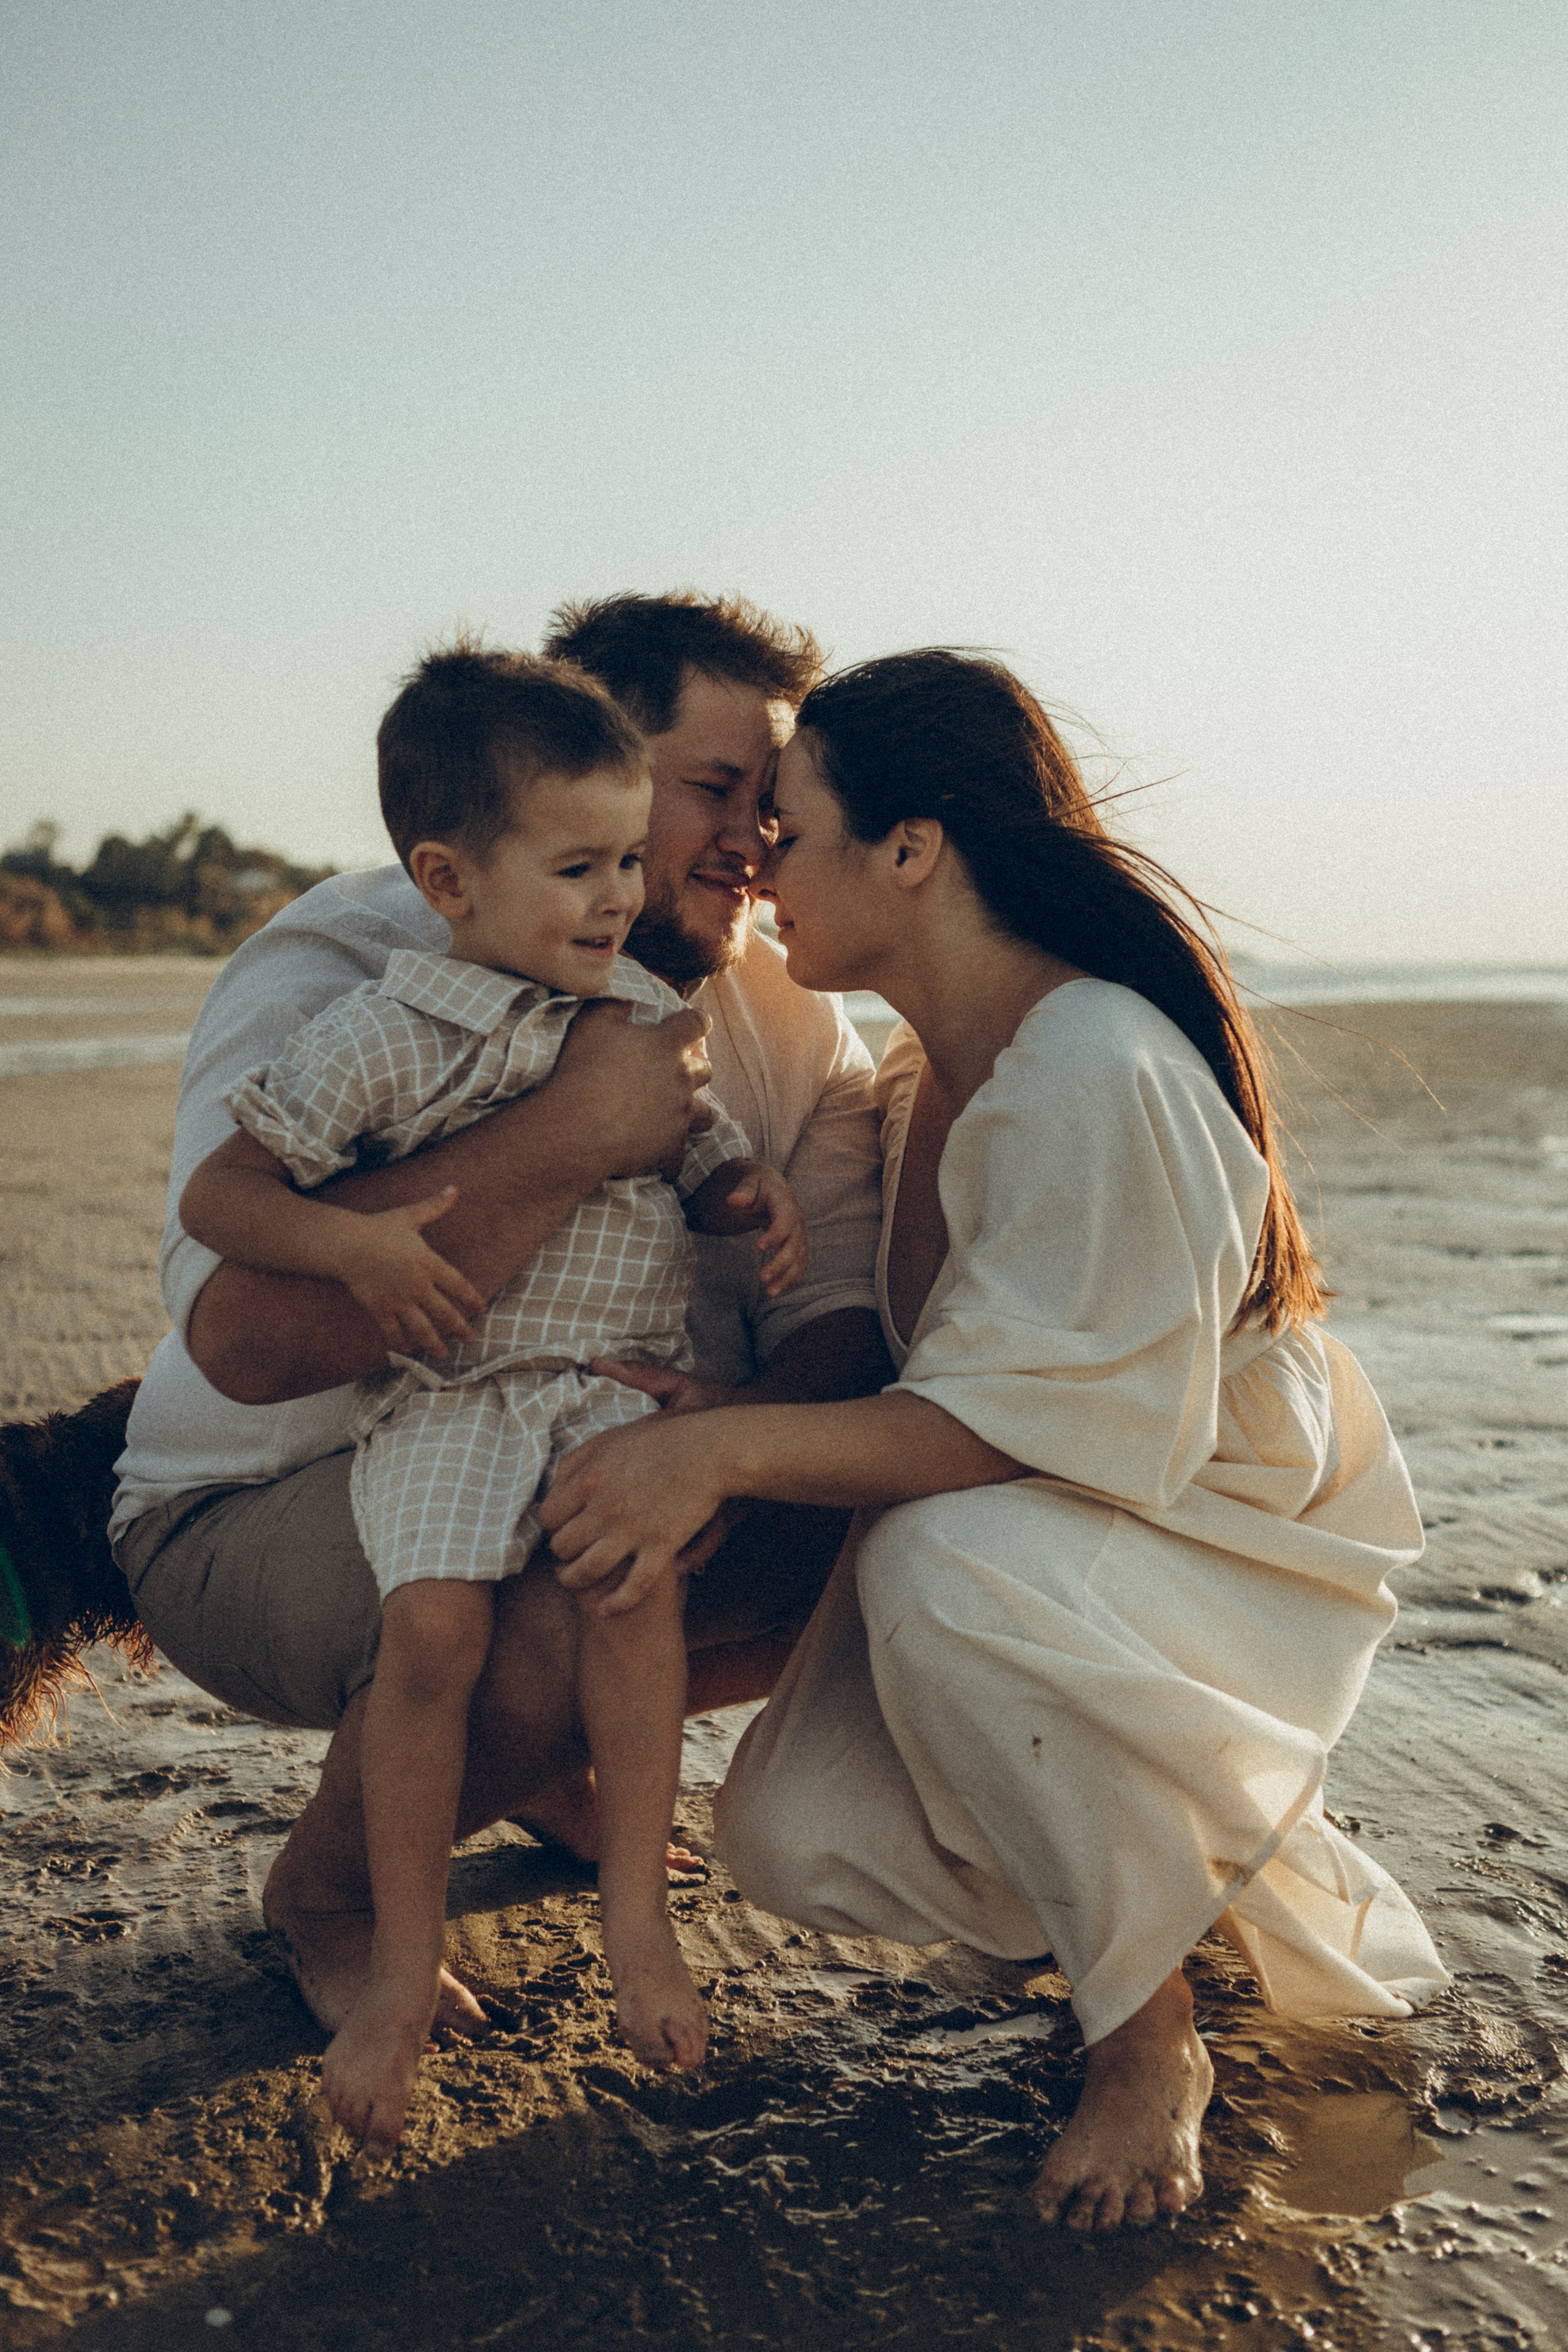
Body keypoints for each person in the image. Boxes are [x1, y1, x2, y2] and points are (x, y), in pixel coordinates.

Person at [537, 649, 1449, 2234]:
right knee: (789, 1829)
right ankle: (1177, 1878)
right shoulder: (926, 1077)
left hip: (1213, 1529)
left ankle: (1146, 2038)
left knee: (944, 1565)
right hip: (1080, 1518)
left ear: (913, 847)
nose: (754, 858)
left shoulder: (1091, 1064)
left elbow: (1030, 1433)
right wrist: (730, 1418)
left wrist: (726, 1458)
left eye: (792, 824)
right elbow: (958, 1370)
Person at [108, 592, 891, 2043]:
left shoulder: (785, 1010)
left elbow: (835, 1312)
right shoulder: (353, 966)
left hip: (571, 1446)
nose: (751, 840)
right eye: (710, 789)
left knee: (867, 1535)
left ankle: (530, 1760)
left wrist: (730, 1439)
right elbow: (244, 1344)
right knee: (543, 1591)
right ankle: (333, 1901)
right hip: (251, 1503)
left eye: (769, 803)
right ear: (576, 770)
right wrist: (568, 1136)